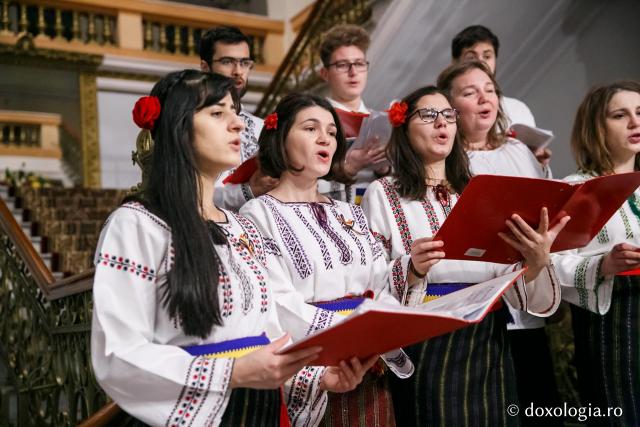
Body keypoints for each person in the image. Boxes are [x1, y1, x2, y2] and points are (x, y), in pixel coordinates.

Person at [91, 70, 371, 426]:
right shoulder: (137, 224)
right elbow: (118, 353)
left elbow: (266, 333)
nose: (238, 124)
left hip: (258, 407)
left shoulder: (240, 226)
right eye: (217, 113)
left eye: (235, 113)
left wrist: (317, 377)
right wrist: (231, 373)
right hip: (197, 411)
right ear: (179, 127)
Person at [360, 85, 568, 426]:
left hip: (489, 335)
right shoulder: (383, 193)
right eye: (428, 115)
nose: (442, 123)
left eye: (448, 115)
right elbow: (369, 277)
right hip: (428, 338)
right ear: (403, 126)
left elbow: (512, 273)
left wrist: (536, 259)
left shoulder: (481, 189)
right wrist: (410, 268)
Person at [240, 93, 412, 426]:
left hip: (370, 371)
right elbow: (278, 303)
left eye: (332, 132)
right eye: (310, 128)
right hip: (316, 373)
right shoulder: (257, 215)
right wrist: (352, 335)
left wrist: (374, 333)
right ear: (281, 139)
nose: (325, 139)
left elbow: (382, 283)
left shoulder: (349, 212)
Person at [437, 60, 562, 420]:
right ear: (450, 108)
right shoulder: (446, 160)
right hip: (480, 305)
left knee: (538, 401)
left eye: (489, 89)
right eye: (469, 91)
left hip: (530, 288)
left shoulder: (519, 151)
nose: (484, 97)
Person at [552, 80, 640, 427]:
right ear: (596, 128)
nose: (635, 122)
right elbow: (553, 261)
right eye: (620, 115)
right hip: (615, 320)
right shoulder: (578, 187)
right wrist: (603, 263)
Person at [200, 26, 278, 210]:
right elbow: (186, 194)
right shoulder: (193, 124)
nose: (238, 71)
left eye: (244, 63)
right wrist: (247, 191)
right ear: (205, 67)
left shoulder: (262, 127)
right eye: (227, 62)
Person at [451, 24, 551, 167]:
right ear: (455, 62)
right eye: (471, 56)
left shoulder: (518, 108)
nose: (480, 62)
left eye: (487, 56)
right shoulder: (447, 111)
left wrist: (539, 163)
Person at [318, 24, 389, 203]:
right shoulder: (313, 119)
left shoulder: (381, 120)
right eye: (342, 65)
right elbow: (300, 181)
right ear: (325, 73)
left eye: (359, 63)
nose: (353, 72)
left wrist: (384, 168)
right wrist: (350, 166)